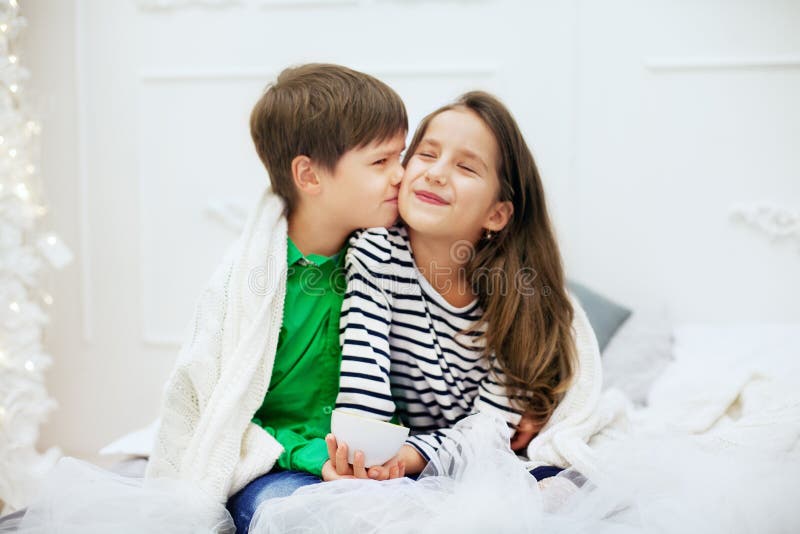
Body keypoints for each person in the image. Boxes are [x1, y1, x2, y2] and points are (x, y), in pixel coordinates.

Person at [145, 63, 407, 534]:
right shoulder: (249, 285)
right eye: (380, 162)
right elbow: (223, 410)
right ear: (309, 176)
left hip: (381, 458)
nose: (401, 176)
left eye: (401, 157)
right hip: (280, 463)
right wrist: (314, 457)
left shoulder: (389, 258)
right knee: (292, 516)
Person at [328, 91, 602, 483]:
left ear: (496, 213)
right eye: (426, 154)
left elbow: (489, 436)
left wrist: (404, 458)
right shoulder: (375, 252)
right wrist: (361, 455)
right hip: (418, 445)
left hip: (455, 448)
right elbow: (363, 375)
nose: (436, 173)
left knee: (559, 480)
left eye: (466, 167)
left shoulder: (516, 300)